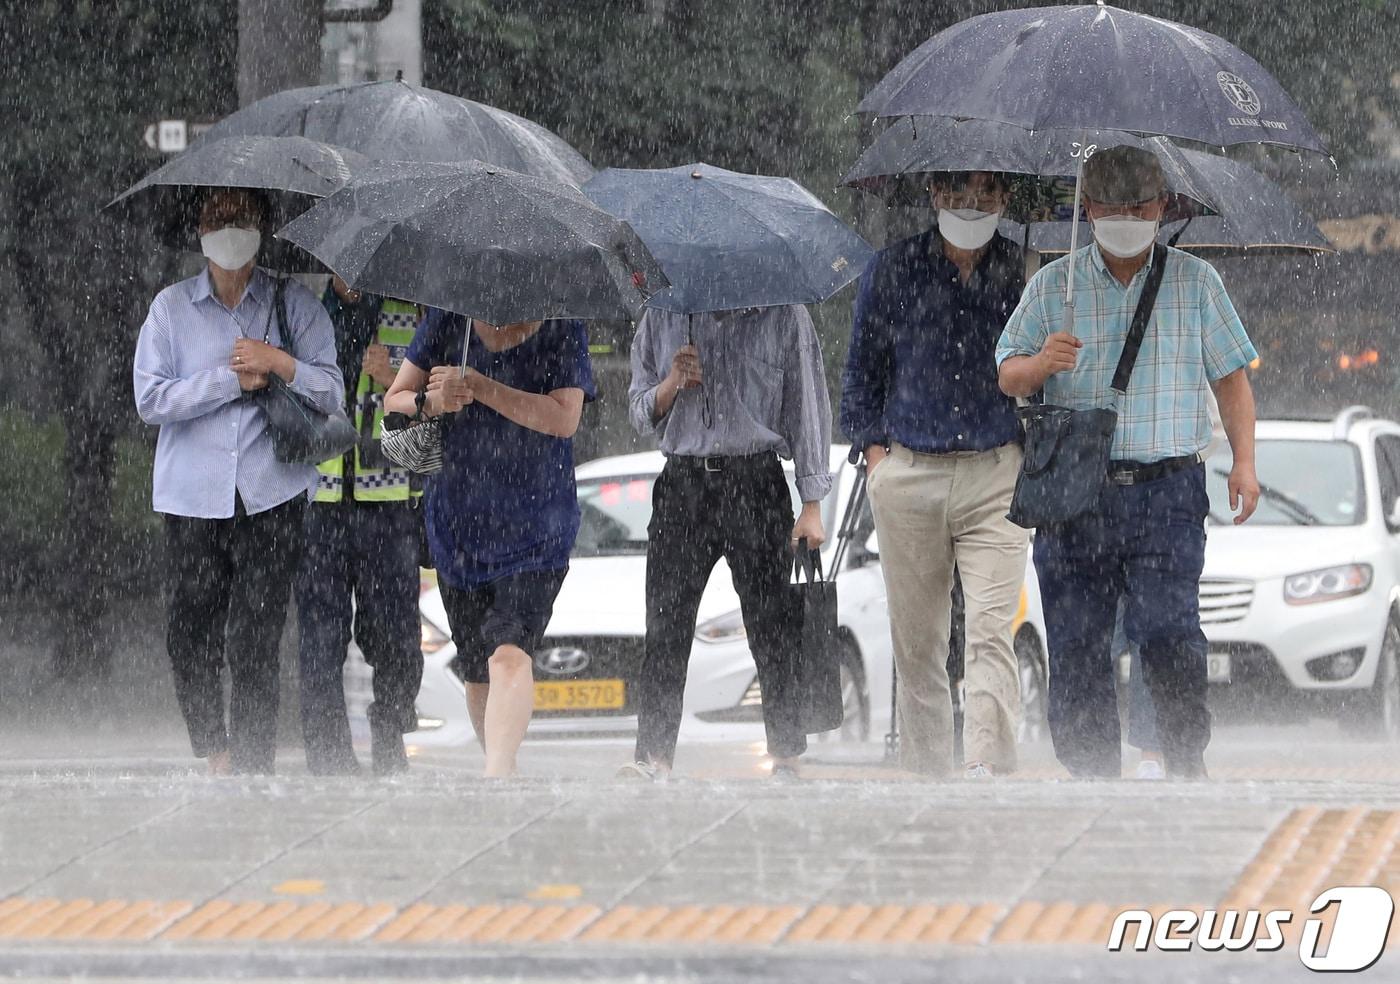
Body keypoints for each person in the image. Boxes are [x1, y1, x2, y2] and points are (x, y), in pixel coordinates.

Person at [996, 145, 1261, 779]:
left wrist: (1244, 464)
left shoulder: (1197, 282)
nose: (1124, 217)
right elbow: (1008, 373)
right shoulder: (1052, 283)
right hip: (1073, 492)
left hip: (1167, 486)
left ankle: (1180, 756)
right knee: (1077, 638)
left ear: (1161, 208)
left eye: (1137, 206)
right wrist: (1041, 366)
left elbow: (1232, 380)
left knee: (1170, 629)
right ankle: (1089, 772)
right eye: (1110, 206)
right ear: (1086, 210)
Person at [133, 187, 341, 775]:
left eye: (241, 218)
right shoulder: (171, 309)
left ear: (261, 228)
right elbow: (150, 399)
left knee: (255, 637)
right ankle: (216, 750)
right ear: (198, 229)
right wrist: (230, 381)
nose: (229, 229)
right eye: (218, 218)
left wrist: (278, 363)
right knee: (188, 632)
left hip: (271, 494)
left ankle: (252, 761)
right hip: (192, 499)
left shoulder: (292, 303)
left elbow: (332, 390)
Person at [840, 171, 1028, 779]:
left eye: (983, 194)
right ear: (932, 195)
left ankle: (985, 765)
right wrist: (877, 458)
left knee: (991, 629)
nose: (968, 205)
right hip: (909, 470)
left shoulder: (1028, 274)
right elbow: (860, 370)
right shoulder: (892, 268)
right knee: (917, 644)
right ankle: (927, 775)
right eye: (954, 192)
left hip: (995, 470)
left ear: (1004, 199)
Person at [621, 305, 832, 781]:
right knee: (665, 626)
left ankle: (786, 754)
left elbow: (807, 404)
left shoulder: (783, 312)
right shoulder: (662, 312)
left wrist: (812, 501)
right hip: (683, 483)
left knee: (772, 624)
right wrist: (671, 383)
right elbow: (638, 412)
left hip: (755, 480)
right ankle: (652, 756)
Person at [383, 310, 594, 778]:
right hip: (458, 525)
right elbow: (393, 400)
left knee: (509, 652)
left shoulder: (562, 325)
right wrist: (434, 402)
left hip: (536, 528)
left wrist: (482, 387)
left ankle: (496, 778)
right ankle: (504, 769)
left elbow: (564, 418)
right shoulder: (447, 321)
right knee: (478, 667)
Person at [295, 278, 424, 776]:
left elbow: (434, 420)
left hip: (388, 504)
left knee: (395, 636)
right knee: (321, 637)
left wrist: (393, 377)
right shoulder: (301, 315)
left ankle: (390, 736)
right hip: (319, 502)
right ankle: (328, 756)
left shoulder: (409, 316)